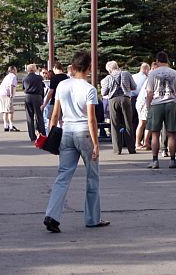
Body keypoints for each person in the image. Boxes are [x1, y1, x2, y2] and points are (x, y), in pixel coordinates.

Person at [43, 51, 110, 233]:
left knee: (63, 176)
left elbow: (55, 114)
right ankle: (92, 218)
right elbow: (91, 119)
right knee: (92, 176)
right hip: (84, 134)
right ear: (89, 67)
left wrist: (51, 134)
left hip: (66, 133)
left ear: (72, 67)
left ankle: (52, 215)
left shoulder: (62, 85)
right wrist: (96, 144)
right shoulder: (89, 89)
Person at [145, 51, 176, 169]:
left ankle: (155, 160)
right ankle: (172, 160)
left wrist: (148, 106)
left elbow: (149, 92)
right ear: (167, 60)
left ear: (157, 60)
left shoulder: (153, 73)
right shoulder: (175, 73)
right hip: (171, 102)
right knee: (172, 134)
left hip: (157, 103)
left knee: (155, 133)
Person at [101, 60, 137, 154]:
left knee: (115, 125)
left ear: (109, 69)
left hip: (113, 100)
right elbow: (134, 86)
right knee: (128, 123)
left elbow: (104, 92)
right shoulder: (126, 74)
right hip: (125, 99)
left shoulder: (108, 78)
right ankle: (131, 148)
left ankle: (117, 150)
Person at [135, 61, 160, 150]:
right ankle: (142, 143)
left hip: (142, 102)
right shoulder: (151, 78)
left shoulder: (150, 77)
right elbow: (149, 92)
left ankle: (142, 142)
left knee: (144, 123)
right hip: (144, 103)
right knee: (144, 123)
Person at [40, 62, 69, 128]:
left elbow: (51, 91)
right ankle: (61, 134)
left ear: (55, 68)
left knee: (52, 119)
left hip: (54, 101)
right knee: (62, 120)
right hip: (65, 102)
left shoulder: (54, 78)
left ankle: (52, 134)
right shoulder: (66, 77)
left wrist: (45, 103)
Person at [22, 64, 46, 141]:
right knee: (39, 116)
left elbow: (23, 88)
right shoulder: (39, 78)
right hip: (37, 96)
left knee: (29, 116)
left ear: (28, 70)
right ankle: (42, 134)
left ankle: (32, 136)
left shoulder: (25, 78)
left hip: (28, 96)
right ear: (35, 70)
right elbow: (42, 88)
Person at [0, 66, 20, 132]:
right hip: (7, 95)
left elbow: (1, 86)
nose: (16, 71)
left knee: (5, 111)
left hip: (1, 94)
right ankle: (11, 126)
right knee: (10, 111)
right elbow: (11, 85)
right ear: (12, 70)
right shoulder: (13, 76)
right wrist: (11, 94)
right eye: (15, 69)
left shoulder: (6, 76)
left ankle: (5, 125)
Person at [131, 63, 150, 132]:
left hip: (132, 99)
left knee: (133, 120)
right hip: (142, 100)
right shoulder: (146, 78)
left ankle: (133, 138)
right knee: (142, 120)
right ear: (146, 70)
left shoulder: (133, 76)